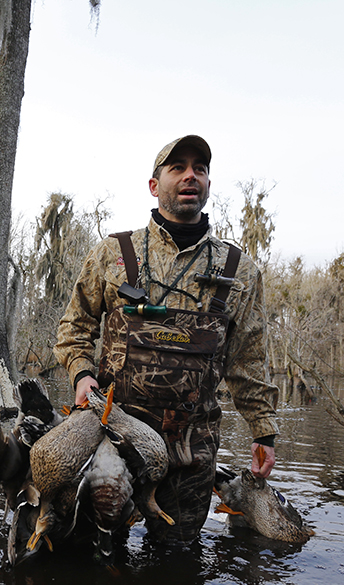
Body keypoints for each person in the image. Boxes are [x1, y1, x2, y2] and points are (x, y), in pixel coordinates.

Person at [53, 134, 279, 544]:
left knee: (176, 563)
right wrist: (81, 374)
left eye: (200, 168)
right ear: (155, 185)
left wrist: (263, 432)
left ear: (208, 184)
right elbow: (74, 327)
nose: (191, 175)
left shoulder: (240, 270)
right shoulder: (113, 253)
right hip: (112, 443)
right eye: (178, 167)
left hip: (191, 451)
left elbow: (248, 362)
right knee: (98, 551)